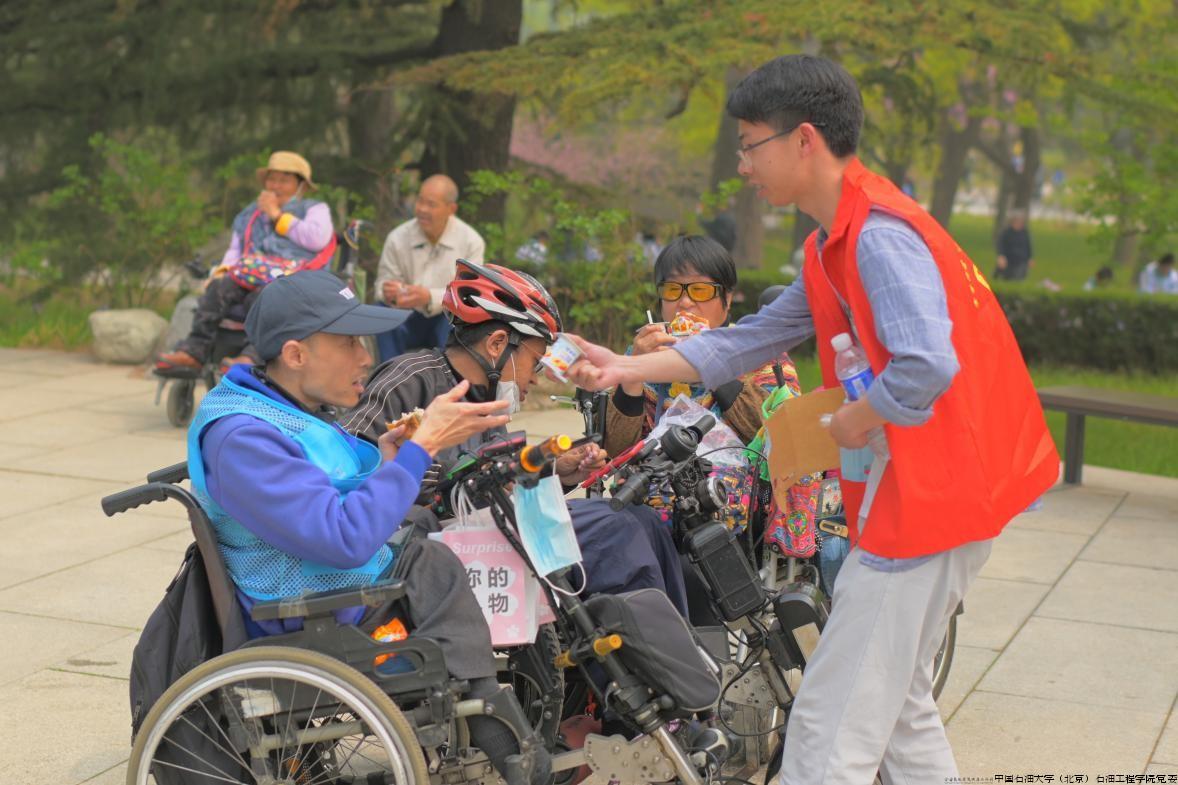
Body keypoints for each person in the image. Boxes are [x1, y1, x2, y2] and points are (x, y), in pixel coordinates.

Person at [566, 55, 1058, 785]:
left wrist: (859, 416)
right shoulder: (835, 240)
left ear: (803, 140)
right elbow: (747, 339)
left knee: (829, 729)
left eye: (749, 144)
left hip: (928, 502)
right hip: (924, 494)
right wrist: (625, 368)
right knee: (899, 714)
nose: (742, 165)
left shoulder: (877, 238)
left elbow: (927, 364)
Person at [185, 269, 549, 785]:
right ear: (296, 354)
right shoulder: (243, 438)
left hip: (331, 581)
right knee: (435, 557)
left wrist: (389, 460)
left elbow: (323, 506)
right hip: (307, 609)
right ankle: (488, 709)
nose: (365, 358)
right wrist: (419, 452)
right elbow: (343, 537)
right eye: (349, 341)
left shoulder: (281, 409)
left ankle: (485, 698)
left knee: (432, 535)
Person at [341, 260, 689, 614]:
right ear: (497, 343)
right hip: (425, 549)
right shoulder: (409, 379)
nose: (535, 378)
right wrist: (437, 473)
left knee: (643, 521)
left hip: (489, 537)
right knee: (619, 527)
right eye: (535, 361)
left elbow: (496, 485)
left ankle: (661, 646)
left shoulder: (488, 401)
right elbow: (352, 465)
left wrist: (557, 471)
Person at [604, 234, 819, 555]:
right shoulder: (645, 356)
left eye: (701, 291)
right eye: (673, 290)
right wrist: (634, 371)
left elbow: (776, 441)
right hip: (651, 496)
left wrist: (712, 362)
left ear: (727, 300)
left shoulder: (759, 354)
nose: (685, 303)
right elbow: (618, 449)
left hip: (737, 503)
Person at [156, 151, 336, 373]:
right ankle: (194, 351)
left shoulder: (314, 209)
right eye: (272, 179)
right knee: (219, 287)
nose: (276, 186)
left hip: (292, 279)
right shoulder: (250, 214)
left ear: (300, 185)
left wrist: (277, 215)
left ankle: (252, 355)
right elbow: (236, 250)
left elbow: (317, 239)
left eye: (284, 180)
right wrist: (222, 271)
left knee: (263, 296)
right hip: (250, 272)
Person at [374, 174, 485, 361]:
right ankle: (388, 379)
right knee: (381, 311)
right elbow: (381, 285)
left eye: (431, 204)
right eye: (420, 201)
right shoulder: (397, 238)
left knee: (459, 317)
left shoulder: (471, 242)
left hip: (446, 319)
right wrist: (388, 291)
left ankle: (453, 382)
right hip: (407, 317)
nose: (422, 209)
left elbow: (470, 295)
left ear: (451, 209)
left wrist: (429, 297)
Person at [995, 209, 1034, 281]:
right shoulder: (1006, 233)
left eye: (1021, 222)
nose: (1019, 224)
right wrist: (1001, 256)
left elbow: (1028, 246)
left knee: (1018, 277)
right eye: (1017, 221)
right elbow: (1000, 245)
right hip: (1008, 258)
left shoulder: (1025, 233)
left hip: (1021, 260)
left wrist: (1030, 258)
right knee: (1002, 273)